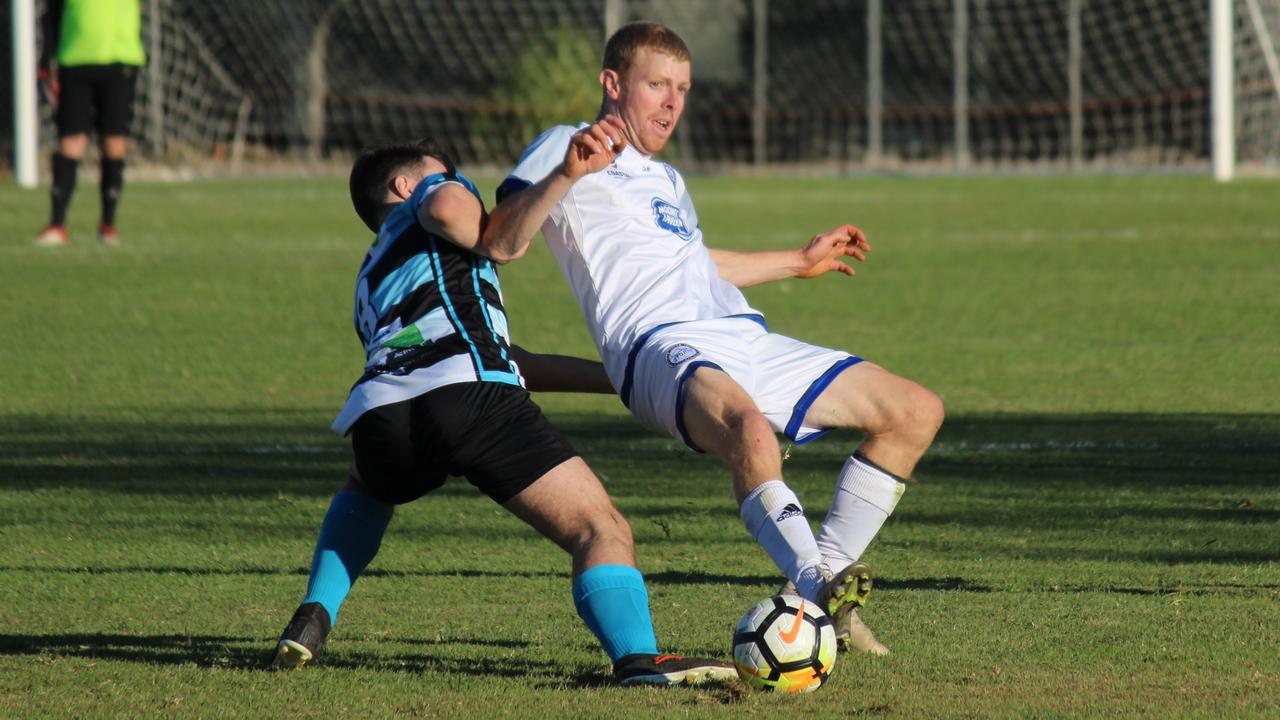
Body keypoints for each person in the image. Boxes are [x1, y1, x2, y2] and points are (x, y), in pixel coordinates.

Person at [486, 22, 944, 656]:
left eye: (683, 89)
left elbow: (695, 267)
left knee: (914, 411)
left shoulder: (668, 179)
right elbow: (500, 243)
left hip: (740, 335)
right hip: (659, 349)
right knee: (750, 433)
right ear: (613, 84)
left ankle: (817, 589)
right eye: (657, 85)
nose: (672, 103)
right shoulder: (565, 146)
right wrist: (565, 175)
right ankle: (820, 583)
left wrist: (795, 260)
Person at [270, 135, 735, 686]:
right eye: (441, 172)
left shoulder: (377, 273)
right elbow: (456, 212)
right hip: (468, 397)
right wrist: (519, 195)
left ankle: (314, 612)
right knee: (599, 527)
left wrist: (630, 380)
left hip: (380, 413)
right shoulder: (435, 196)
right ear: (405, 187)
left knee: (368, 487)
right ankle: (637, 658)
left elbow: (515, 361)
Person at [34, 0, 145, 247]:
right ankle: (57, 224)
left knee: (113, 141)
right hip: (74, 58)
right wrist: (46, 60)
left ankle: (108, 225)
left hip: (120, 58)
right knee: (71, 140)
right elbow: (52, 13)